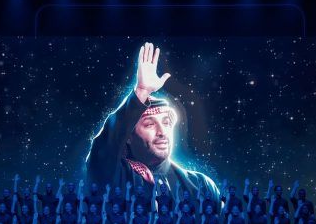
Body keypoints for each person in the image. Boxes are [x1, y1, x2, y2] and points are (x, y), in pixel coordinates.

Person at [85, 42, 220, 208]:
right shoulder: (111, 174)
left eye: (166, 122)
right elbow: (104, 147)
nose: (162, 132)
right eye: (149, 124)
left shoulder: (201, 186)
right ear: (128, 136)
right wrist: (141, 91)